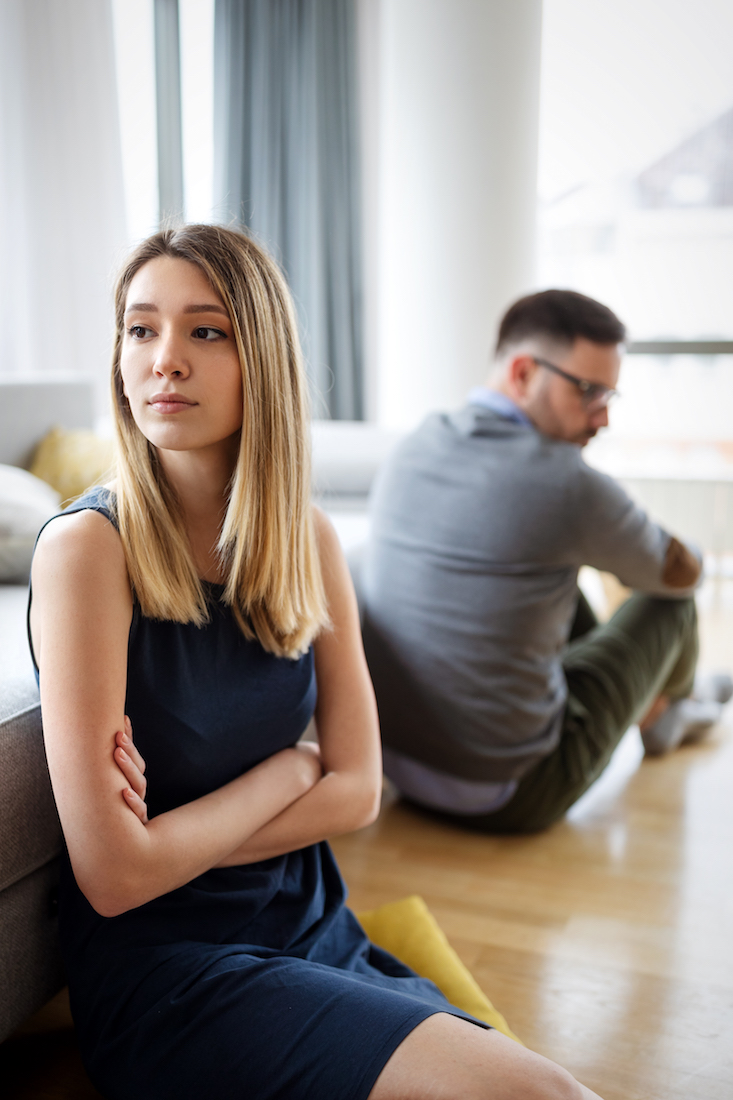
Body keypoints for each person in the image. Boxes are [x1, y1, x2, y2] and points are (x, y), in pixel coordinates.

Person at [29, 228, 602, 1099]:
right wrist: (286, 773)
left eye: (205, 331)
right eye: (140, 330)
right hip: (175, 971)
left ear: (262, 356)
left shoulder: (306, 538)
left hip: (310, 925)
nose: (164, 360)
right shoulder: (87, 552)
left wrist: (176, 839)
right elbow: (115, 878)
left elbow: (359, 790)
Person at [363, 289, 729, 836]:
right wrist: (681, 548)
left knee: (555, 577)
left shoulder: (417, 442)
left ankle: (670, 702)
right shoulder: (568, 483)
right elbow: (679, 572)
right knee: (671, 606)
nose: (602, 417)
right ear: (523, 372)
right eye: (589, 392)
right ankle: (668, 713)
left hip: (394, 770)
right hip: (512, 793)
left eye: (610, 396)